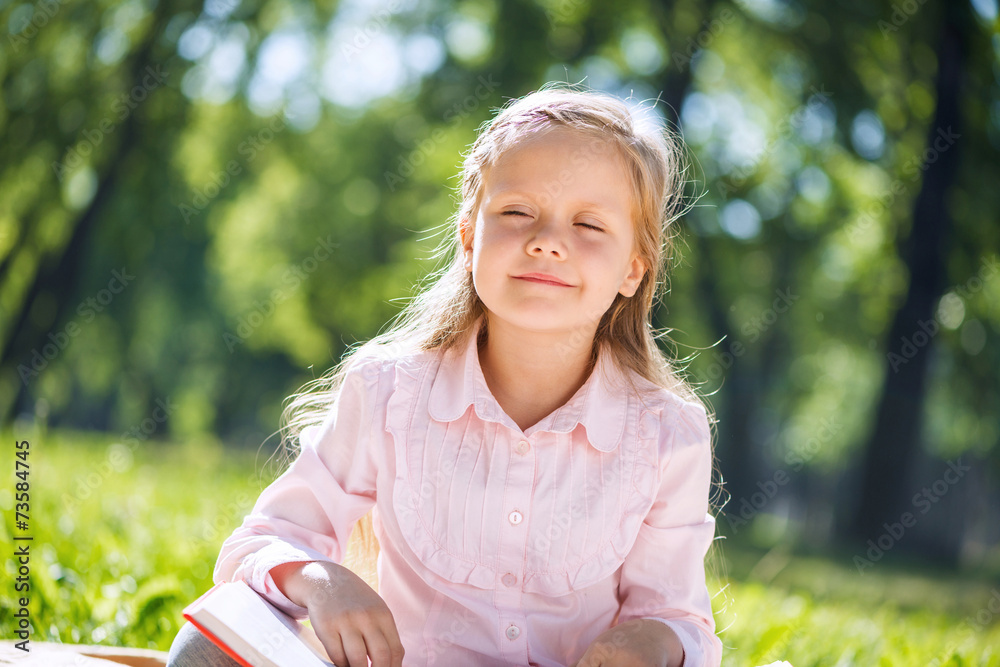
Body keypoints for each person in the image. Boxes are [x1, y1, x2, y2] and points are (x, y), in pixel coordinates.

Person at [168, 84, 724, 667]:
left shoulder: (666, 433)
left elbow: (682, 620)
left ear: (634, 268)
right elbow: (258, 543)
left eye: (589, 225)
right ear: (468, 236)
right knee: (206, 643)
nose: (547, 242)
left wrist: (652, 639)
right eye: (516, 212)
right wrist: (321, 579)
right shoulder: (387, 391)